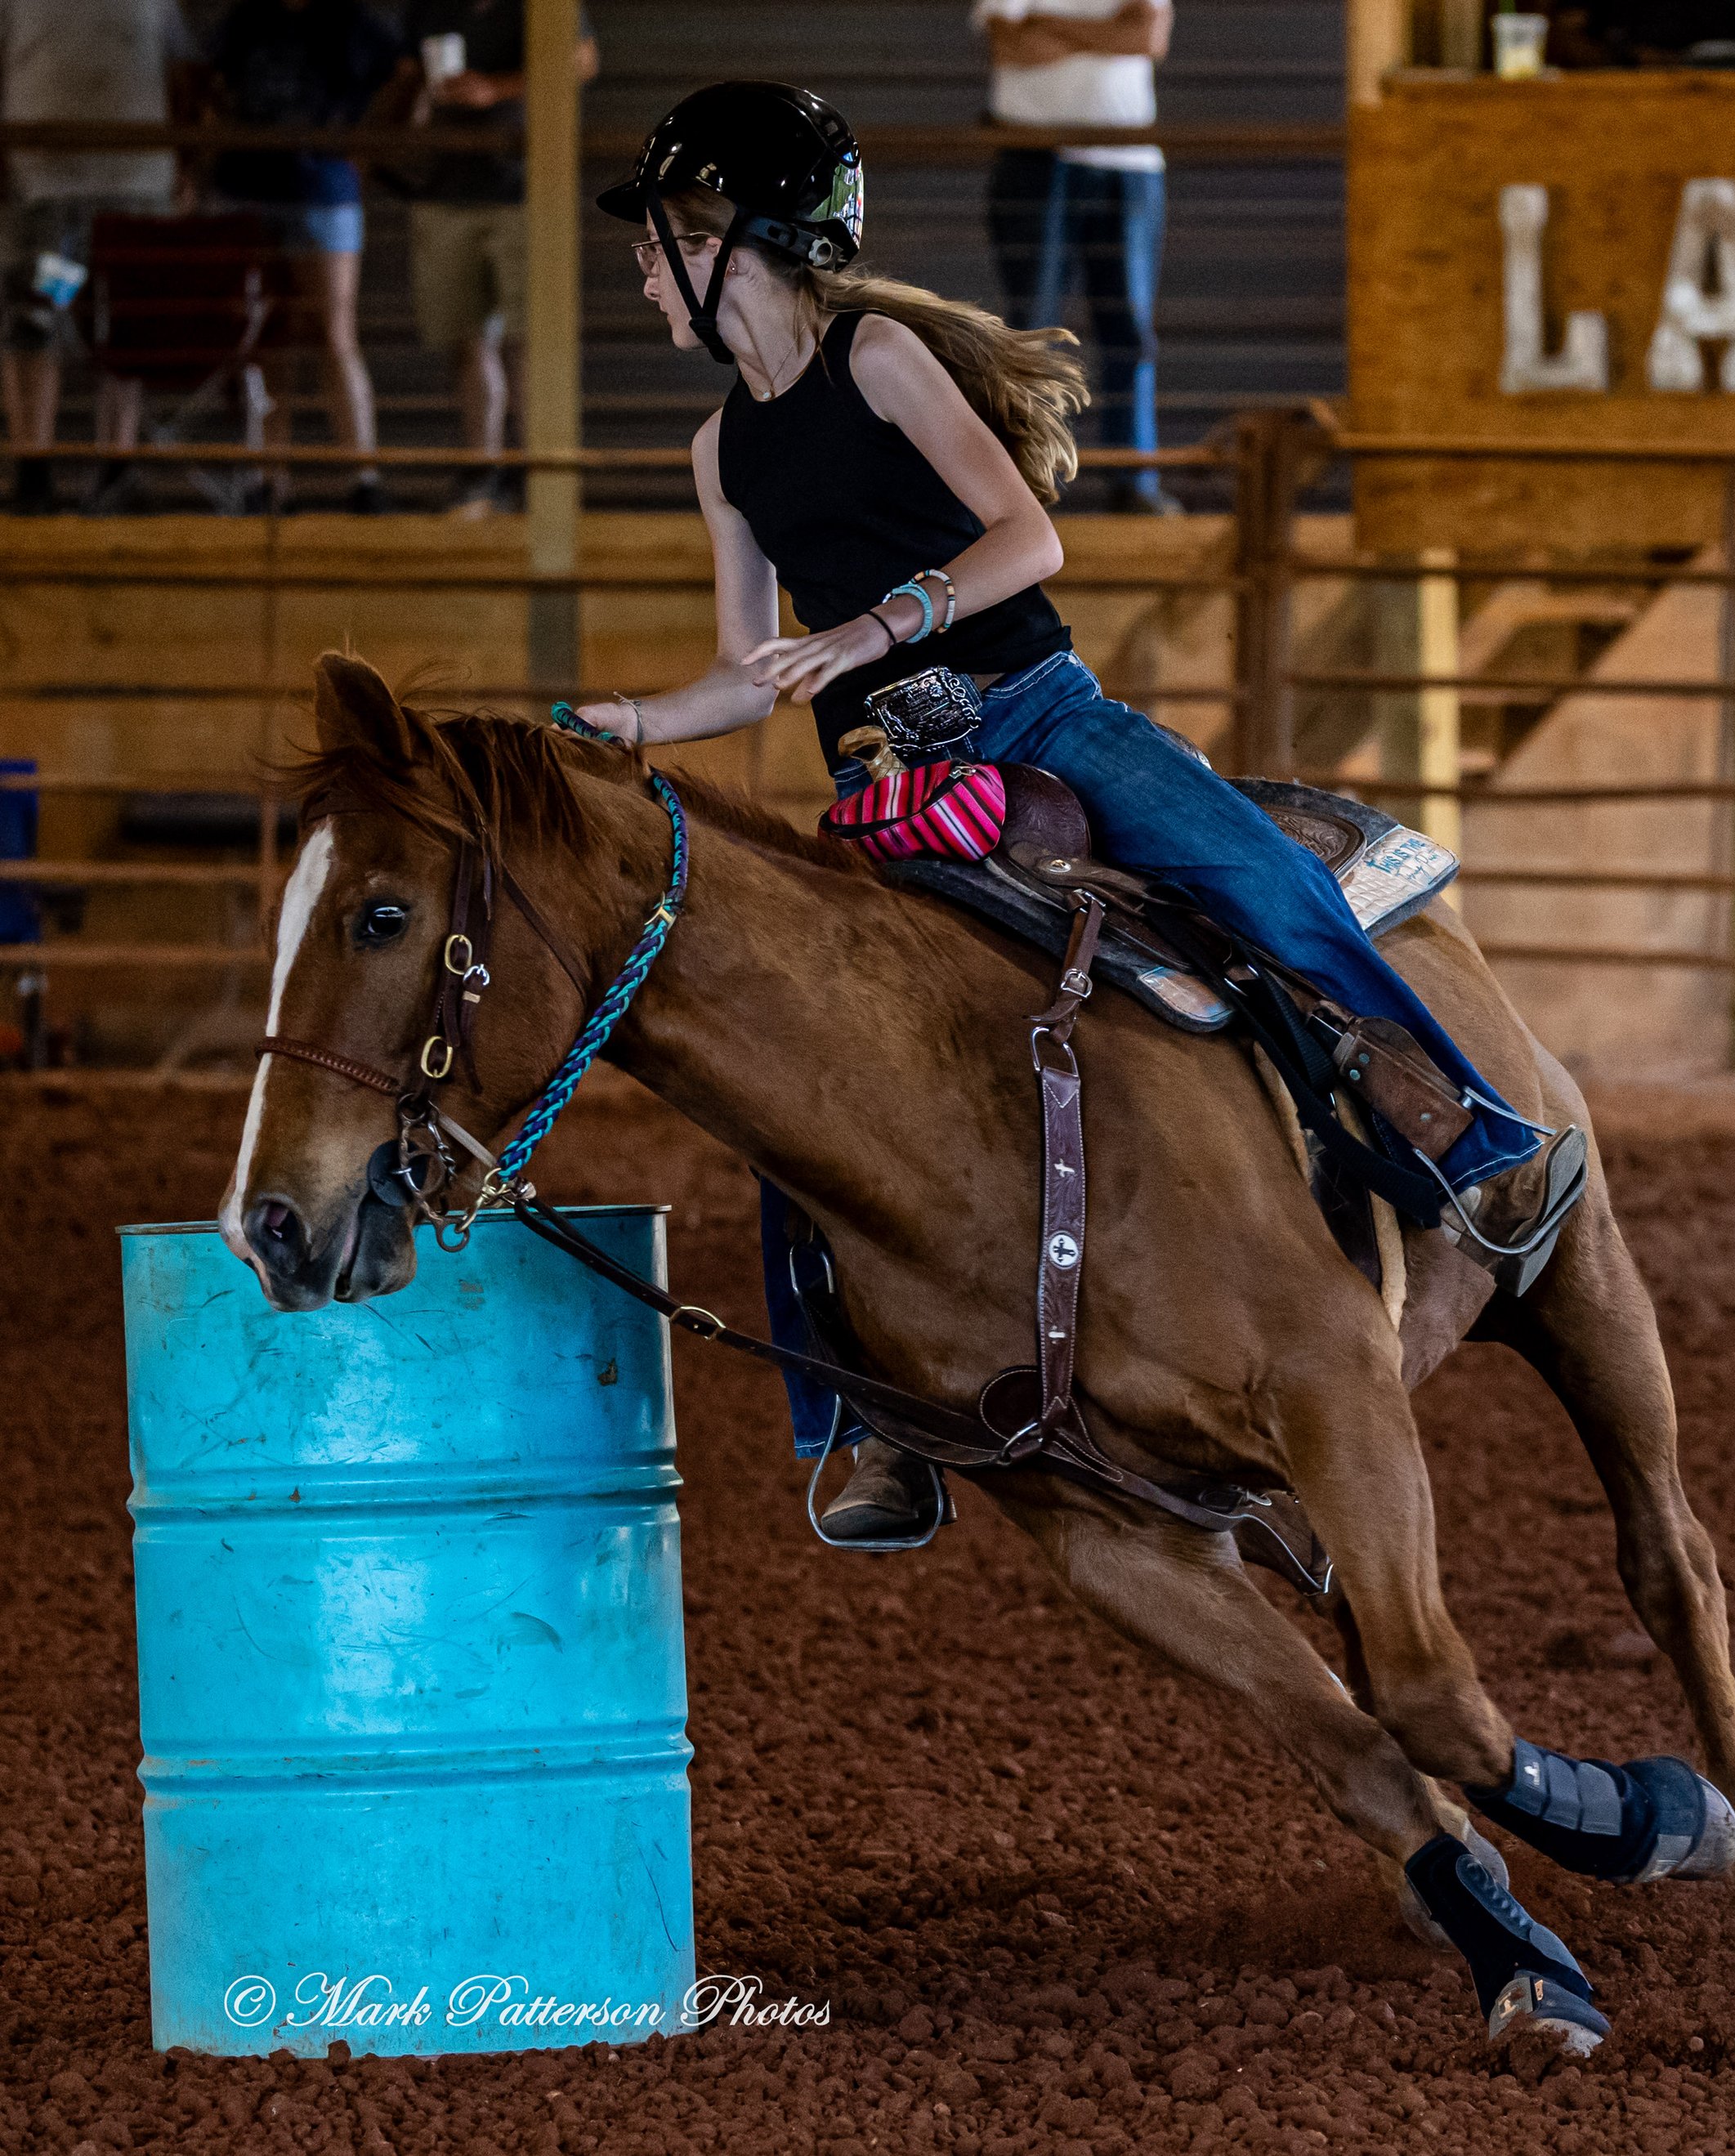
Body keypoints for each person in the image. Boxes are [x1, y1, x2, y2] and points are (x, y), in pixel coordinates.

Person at [578, 83, 1571, 1545]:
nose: (646, 271)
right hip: (893, 802)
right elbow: (748, 670)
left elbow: (1027, 536)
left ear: (738, 238)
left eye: (661, 243)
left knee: (1251, 869)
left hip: (1040, 720)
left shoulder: (885, 358)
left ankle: (1453, 1120)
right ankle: (871, 1423)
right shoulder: (722, 453)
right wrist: (638, 724)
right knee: (793, 1080)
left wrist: (872, 629)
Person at [384, 0, 595, 517]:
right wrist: (409, 109)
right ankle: (482, 472)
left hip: (523, 189)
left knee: (530, 342)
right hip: (443, 189)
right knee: (466, 340)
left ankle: (539, 475)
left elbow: (582, 60)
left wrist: (495, 89)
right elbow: (407, 78)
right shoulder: (425, 11)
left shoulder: (540, 8)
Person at [976, 0, 1176, 512]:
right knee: (1032, 332)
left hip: (1129, 161)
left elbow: (1147, 37)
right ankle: (1033, 480)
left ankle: (1135, 481)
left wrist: (1050, 25)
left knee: (1129, 329)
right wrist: (1107, 31)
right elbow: (1013, 45)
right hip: (1034, 160)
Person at [0, 0, 198, 513]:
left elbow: (183, 76)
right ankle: (33, 464)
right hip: (49, 194)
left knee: (119, 325)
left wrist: (185, 159)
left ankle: (118, 462)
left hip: (129, 191)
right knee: (40, 316)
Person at [208, 0, 400, 514]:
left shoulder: (351, 23)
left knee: (335, 329)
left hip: (323, 190)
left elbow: (402, 76)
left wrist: (365, 142)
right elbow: (208, 82)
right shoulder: (245, 21)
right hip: (248, 187)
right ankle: (271, 478)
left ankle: (365, 477)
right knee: (267, 336)